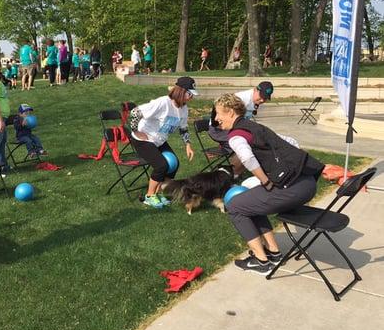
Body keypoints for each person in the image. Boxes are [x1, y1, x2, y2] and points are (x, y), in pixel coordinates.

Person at [213, 93, 324, 275]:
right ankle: (273, 252)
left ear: (231, 113)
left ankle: (261, 261)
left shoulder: (236, 135)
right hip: (308, 183)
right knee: (250, 202)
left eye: (219, 114)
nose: (216, 119)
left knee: (234, 206)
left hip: (292, 190)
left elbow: (247, 158)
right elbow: (291, 141)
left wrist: (265, 181)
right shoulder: (255, 127)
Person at [129, 76, 197, 208]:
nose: (191, 97)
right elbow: (135, 112)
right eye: (190, 94)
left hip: (159, 141)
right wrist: (136, 131)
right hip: (144, 140)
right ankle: (149, 196)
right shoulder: (162, 103)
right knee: (161, 166)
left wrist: (188, 145)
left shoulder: (184, 109)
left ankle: (158, 192)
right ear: (181, 91)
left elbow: (183, 128)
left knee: (174, 164)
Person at [208, 81, 274, 174]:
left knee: (255, 140)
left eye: (265, 98)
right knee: (247, 144)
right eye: (261, 96)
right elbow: (217, 107)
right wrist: (217, 124)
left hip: (232, 129)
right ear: (255, 89)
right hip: (218, 129)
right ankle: (232, 173)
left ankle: (236, 170)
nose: (262, 100)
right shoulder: (241, 98)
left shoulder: (255, 101)